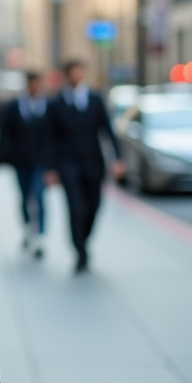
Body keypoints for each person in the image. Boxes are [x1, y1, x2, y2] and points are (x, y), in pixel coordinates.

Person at [45, 60, 125, 273]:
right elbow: (50, 138)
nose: (76, 76)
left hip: (93, 163)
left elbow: (108, 131)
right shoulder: (56, 104)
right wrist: (50, 169)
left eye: (79, 72)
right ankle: (79, 251)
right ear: (66, 76)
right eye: (72, 73)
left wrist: (117, 159)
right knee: (76, 208)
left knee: (94, 206)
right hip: (68, 165)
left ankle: (84, 239)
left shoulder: (95, 99)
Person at [0, 71, 51, 258]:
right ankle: (28, 227)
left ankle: (40, 236)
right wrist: (1, 157)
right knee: (25, 196)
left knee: (39, 196)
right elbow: (5, 133)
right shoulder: (14, 107)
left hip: (41, 162)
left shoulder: (48, 106)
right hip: (20, 161)